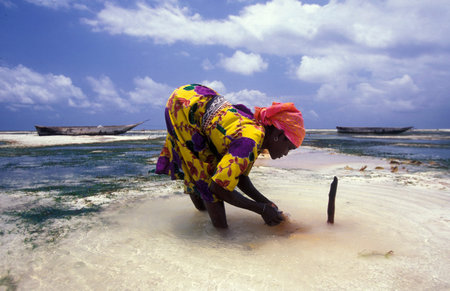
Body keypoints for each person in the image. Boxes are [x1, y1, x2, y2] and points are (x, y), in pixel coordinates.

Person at [156, 84, 305, 228]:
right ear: (278, 135)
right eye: (289, 148)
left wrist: (266, 203)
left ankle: (200, 225)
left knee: (204, 188)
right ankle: (220, 244)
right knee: (206, 178)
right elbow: (218, 187)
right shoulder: (250, 141)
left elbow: (240, 177)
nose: (286, 153)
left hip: (197, 96)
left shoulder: (258, 135)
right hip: (184, 105)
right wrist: (261, 210)